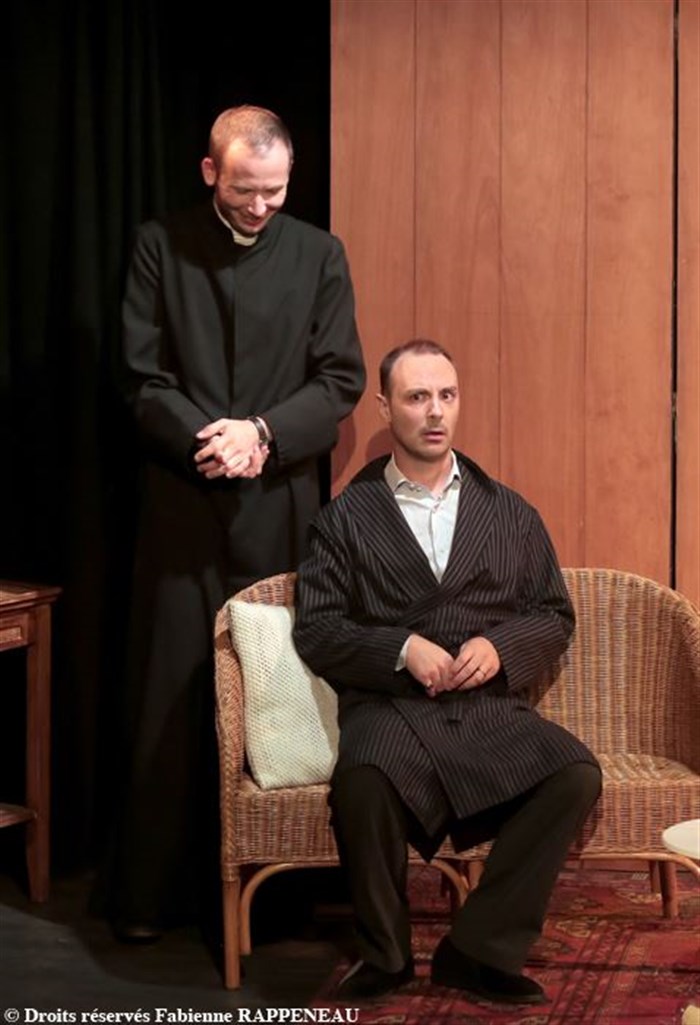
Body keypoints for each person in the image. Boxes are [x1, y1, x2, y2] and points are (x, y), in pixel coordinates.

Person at [107, 106, 365, 941]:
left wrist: (261, 434)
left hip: (279, 502)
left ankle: (280, 898)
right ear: (211, 171)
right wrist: (208, 440)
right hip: (182, 502)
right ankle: (153, 897)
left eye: (275, 192)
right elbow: (140, 374)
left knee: (277, 693)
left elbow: (340, 378)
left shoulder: (320, 254)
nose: (260, 207)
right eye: (245, 190)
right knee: (171, 689)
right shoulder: (159, 244)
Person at [293, 339, 601, 1005]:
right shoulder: (343, 519)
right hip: (391, 705)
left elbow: (553, 613)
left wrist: (502, 645)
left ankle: (479, 948)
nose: (435, 412)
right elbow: (317, 627)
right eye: (417, 397)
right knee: (363, 779)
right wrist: (401, 647)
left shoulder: (510, 512)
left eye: (446, 395)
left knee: (573, 773)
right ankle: (386, 954)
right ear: (385, 408)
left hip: (484, 706)